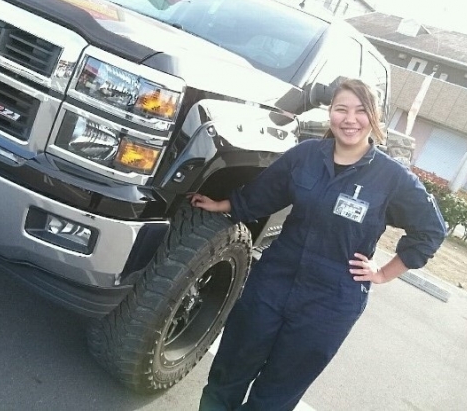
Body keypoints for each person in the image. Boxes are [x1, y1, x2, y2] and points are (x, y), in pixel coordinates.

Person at [190, 78, 446, 411]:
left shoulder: (392, 178)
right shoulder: (306, 155)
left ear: (374, 117)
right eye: (341, 109)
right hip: (271, 283)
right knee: (228, 373)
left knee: (275, 396)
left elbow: (430, 231)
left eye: (360, 111)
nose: (350, 119)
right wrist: (222, 204)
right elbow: (263, 193)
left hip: (330, 302)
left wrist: (383, 273)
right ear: (330, 114)